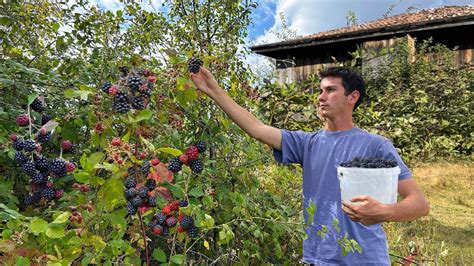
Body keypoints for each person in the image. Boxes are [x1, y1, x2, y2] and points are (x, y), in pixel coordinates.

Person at [190, 66, 429, 265]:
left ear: (352, 97)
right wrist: (214, 90)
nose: (321, 97)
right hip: (318, 258)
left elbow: (419, 204)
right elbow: (257, 129)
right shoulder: (307, 143)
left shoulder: (376, 146)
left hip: (365, 259)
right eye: (321, 90)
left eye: (330, 90)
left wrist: (385, 211)